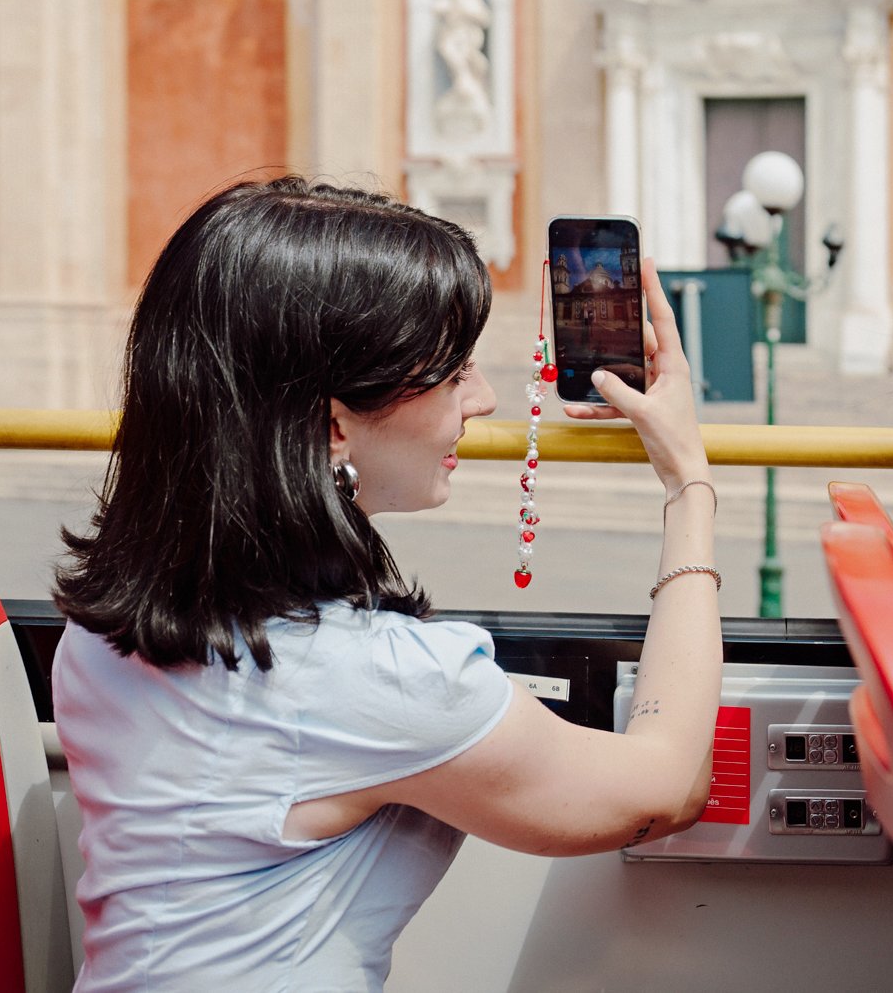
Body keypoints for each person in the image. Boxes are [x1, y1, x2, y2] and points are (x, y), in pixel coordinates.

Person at [51, 180, 723, 992]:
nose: (484, 401)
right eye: (452, 372)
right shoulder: (375, 680)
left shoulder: (99, 632)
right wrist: (689, 483)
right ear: (333, 425)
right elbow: (671, 785)